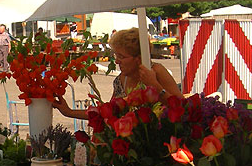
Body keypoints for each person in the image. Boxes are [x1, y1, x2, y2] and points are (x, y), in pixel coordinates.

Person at [53, 28, 182, 120]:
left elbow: (184, 108)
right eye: (116, 55)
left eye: (121, 56)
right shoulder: (121, 80)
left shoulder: (157, 71)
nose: (117, 61)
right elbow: (108, 111)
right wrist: (69, 112)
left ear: (138, 58)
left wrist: (156, 87)